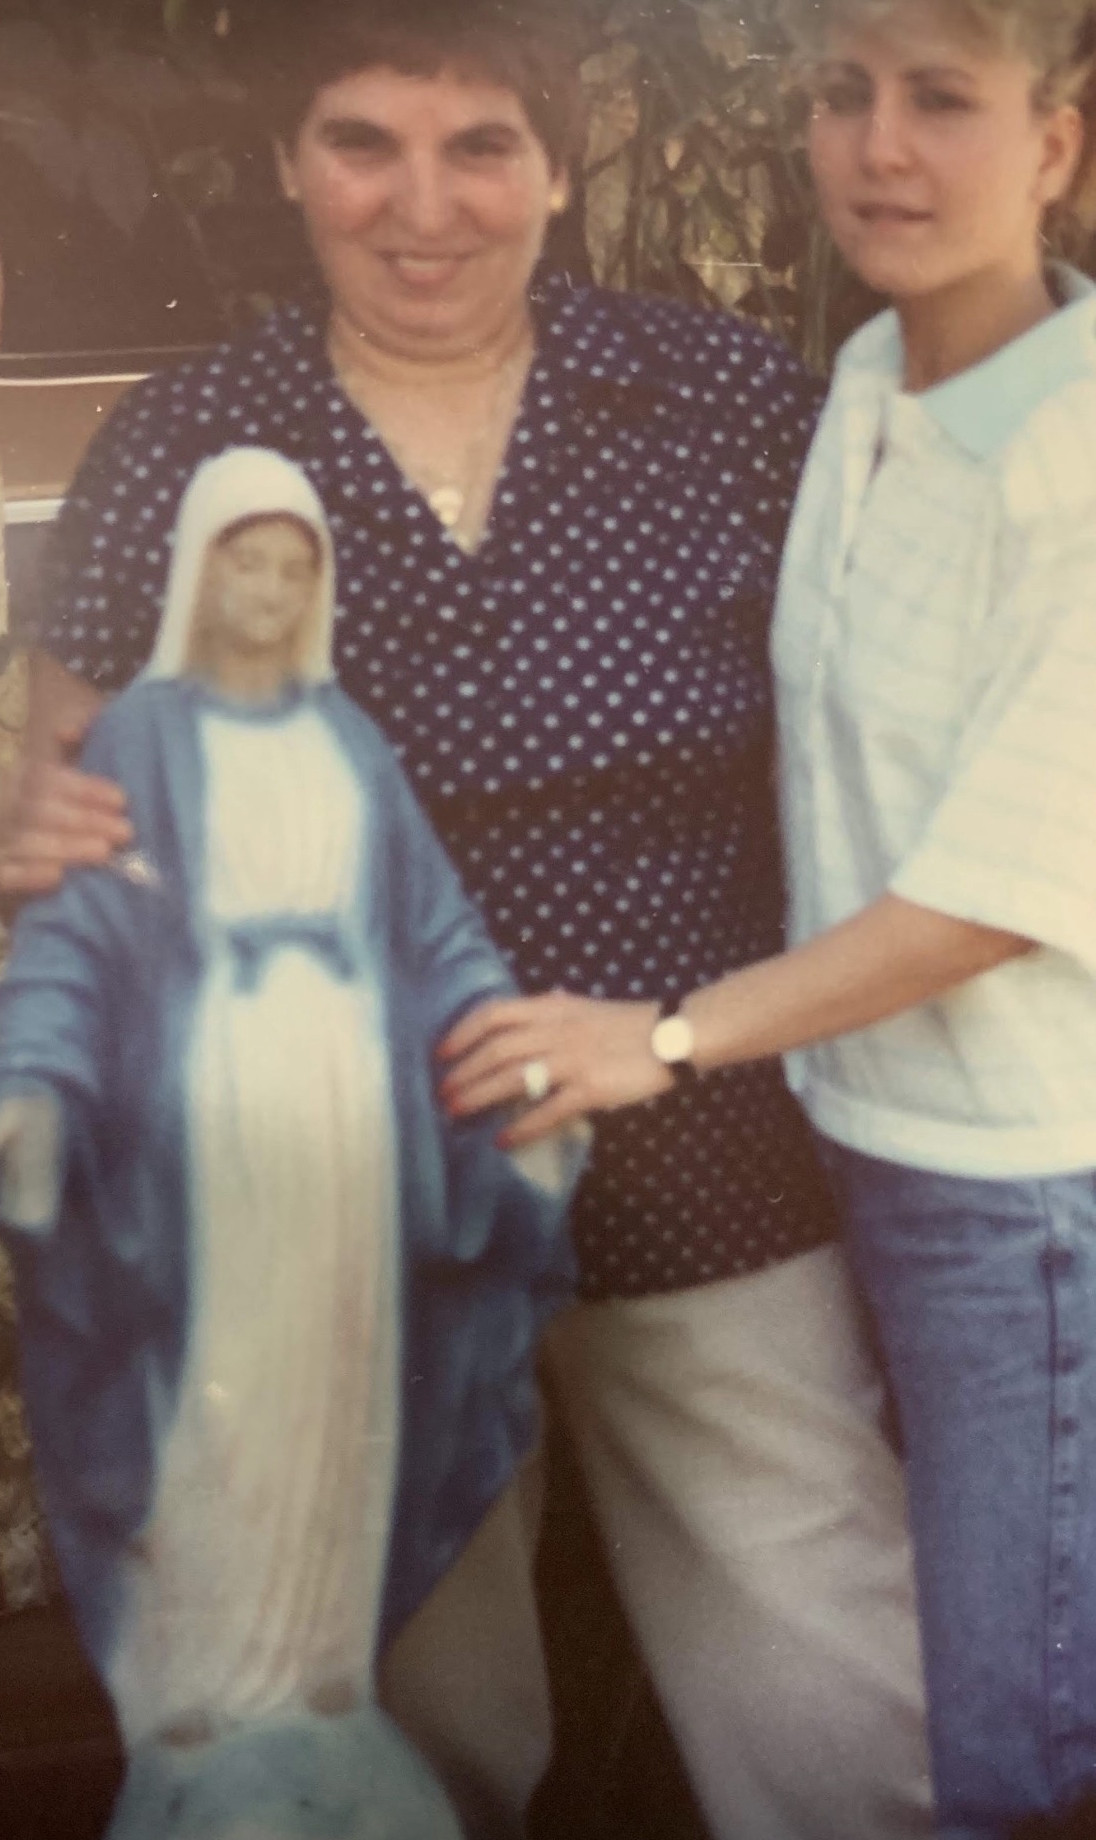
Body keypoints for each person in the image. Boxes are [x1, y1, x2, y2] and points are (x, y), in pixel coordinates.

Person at [0, 2, 932, 1835]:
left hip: (706, 1129)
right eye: (361, 141)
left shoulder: (731, 404)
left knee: (829, 1683)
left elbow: (900, 739)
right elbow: (82, 815)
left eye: (481, 145)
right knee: (415, 1698)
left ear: (558, 169)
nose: (422, 202)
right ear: (286, 164)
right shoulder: (189, 442)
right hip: (355, 1201)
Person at [444, 0, 1096, 1833]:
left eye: (943, 102)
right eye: (842, 94)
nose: (877, 146)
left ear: (1057, 141)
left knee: (1018, 1743)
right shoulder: (868, 383)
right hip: (863, 1143)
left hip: (1024, 1191)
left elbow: (993, 891)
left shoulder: (1079, 452)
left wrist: (654, 1038)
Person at [0, 445, 581, 1840]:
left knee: (336, 1395)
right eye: (243, 559)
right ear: (198, 572)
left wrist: (512, 1068)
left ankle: (309, 1669)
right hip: (211, 1113)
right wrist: (37, 1087)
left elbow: (438, 939)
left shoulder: (346, 740)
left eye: (292, 565)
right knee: (214, 1387)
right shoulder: (139, 736)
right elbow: (77, 937)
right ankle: (202, 1673)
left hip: (352, 1132)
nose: (265, 586)